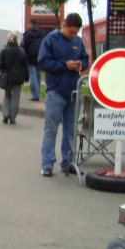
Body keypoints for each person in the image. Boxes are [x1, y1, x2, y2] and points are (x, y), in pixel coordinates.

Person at [39, 13, 90, 177]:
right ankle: (47, 164)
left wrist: (81, 65)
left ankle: (67, 162)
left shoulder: (78, 41)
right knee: (51, 130)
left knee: (70, 130)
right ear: (65, 25)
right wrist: (64, 65)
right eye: (71, 32)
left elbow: (85, 59)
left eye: (76, 33)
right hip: (56, 90)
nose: (73, 36)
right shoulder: (50, 40)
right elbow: (43, 62)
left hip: (73, 90)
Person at [0, 32, 28, 124]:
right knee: (16, 97)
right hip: (18, 77)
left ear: (8, 39)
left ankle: (6, 114)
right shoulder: (21, 51)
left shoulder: (4, 50)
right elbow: (25, 66)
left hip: (7, 76)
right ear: (17, 39)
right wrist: (26, 77)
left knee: (7, 95)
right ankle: (13, 117)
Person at [21, 19, 46, 101]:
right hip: (40, 57)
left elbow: (24, 46)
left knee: (32, 75)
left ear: (31, 24)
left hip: (30, 57)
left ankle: (35, 95)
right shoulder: (42, 34)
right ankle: (37, 93)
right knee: (38, 75)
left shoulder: (28, 34)